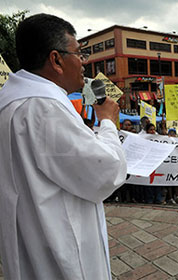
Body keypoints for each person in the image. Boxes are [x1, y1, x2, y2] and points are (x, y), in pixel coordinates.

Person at [0, 14, 127, 280]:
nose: (84, 63)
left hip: (30, 234)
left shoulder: (11, 100)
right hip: (60, 245)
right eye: (79, 54)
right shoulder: (44, 108)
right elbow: (105, 171)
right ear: (56, 60)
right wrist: (107, 123)